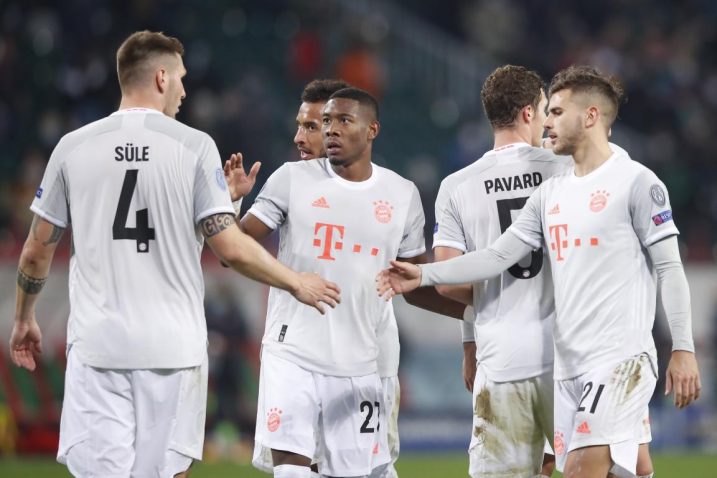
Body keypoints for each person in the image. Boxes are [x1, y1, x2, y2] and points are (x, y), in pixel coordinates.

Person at [8, 30, 340, 478]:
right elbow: (230, 247)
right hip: (174, 351)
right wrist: (296, 281)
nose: (184, 90)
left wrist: (24, 317)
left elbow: (34, 253)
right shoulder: (193, 145)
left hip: (98, 348)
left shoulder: (73, 146)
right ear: (161, 77)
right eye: (181, 78)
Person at [378, 65, 701, 478]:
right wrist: (423, 275)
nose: (546, 121)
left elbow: (671, 266)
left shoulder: (636, 182)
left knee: (583, 469)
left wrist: (683, 347)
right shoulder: (551, 191)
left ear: (589, 117)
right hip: (566, 364)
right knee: (629, 469)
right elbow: (497, 256)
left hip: (619, 357)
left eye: (556, 112)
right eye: (545, 111)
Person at [238, 86, 463, 478]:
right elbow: (236, 248)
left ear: (372, 129)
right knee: (291, 470)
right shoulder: (292, 178)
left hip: (360, 363)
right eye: (326, 121)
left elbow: (413, 283)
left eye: (343, 120)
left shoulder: (401, 195)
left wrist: (477, 310)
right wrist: (232, 205)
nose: (331, 130)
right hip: (292, 353)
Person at [433, 65, 566, 477]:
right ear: (529, 112)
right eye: (546, 109)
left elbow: (448, 281)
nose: (547, 119)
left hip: (502, 356)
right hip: (569, 356)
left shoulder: (457, 185)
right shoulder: (564, 171)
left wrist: (471, 337)